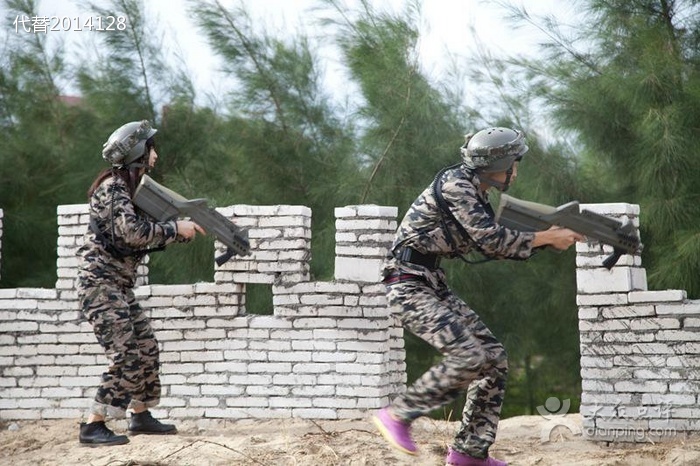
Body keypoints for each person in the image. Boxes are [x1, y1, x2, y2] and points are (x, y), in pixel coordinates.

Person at [372, 127, 584, 466]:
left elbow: (495, 242)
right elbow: (493, 240)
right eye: (514, 162)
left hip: (429, 282)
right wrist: (547, 236)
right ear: (497, 165)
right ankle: (398, 415)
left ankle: (469, 453)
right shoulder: (457, 187)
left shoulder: (475, 190)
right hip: (407, 284)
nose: (516, 170)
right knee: (468, 357)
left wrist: (550, 234)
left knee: (493, 359)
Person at [77, 120, 205, 447]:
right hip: (100, 284)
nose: (155, 156)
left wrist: (180, 229)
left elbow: (141, 229)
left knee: (146, 347)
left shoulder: (127, 188)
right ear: (138, 152)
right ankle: (94, 425)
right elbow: (130, 233)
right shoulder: (113, 188)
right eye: (151, 149)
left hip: (117, 285)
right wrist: (175, 229)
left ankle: (141, 415)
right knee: (125, 355)